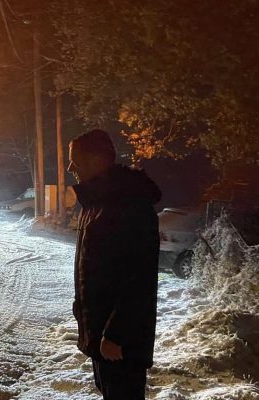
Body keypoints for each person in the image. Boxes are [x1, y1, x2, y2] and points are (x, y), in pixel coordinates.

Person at [68, 129, 161, 399]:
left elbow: (139, 278)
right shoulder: (96, 203)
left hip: (120, 341)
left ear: (96, 160)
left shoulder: (130, 204)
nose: (70, 167)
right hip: (101, 331)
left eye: (76, 159)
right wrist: (82, 310)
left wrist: (117, 333)